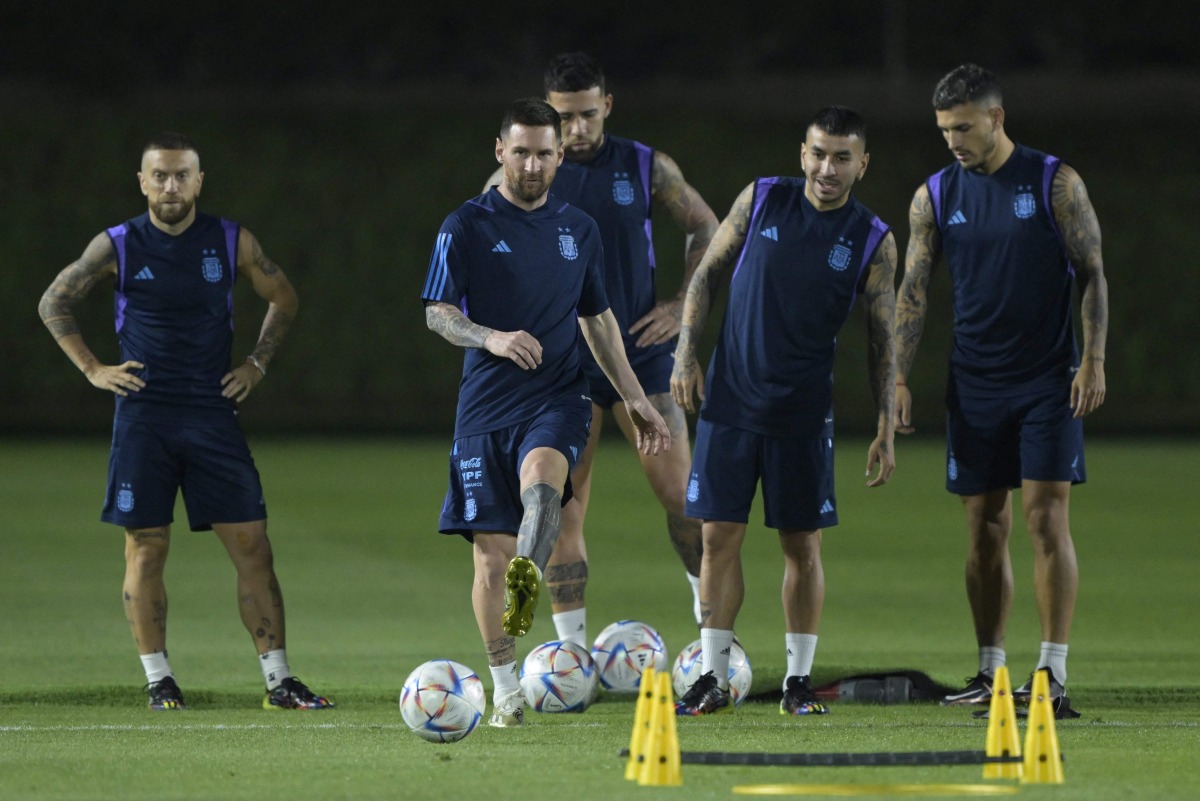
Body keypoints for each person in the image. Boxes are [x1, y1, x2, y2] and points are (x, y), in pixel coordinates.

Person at [38, 132, 333, 712]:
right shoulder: (117, 244)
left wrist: (257, 363)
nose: (170, 186)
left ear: (199, 181)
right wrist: (94, 369)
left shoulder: (230, 241)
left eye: (181, 176)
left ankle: (279, 681)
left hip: (211, 414)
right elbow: (54, 301)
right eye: (159, 176)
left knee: (253, 545)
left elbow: (285, 297)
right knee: (146, 547)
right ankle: (159, 680)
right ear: (142, 182)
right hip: (143, 416)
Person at [424, 98, 671, 727]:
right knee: (488, 555)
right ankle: (505, 685)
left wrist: (636, 396)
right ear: (499, 151)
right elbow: (437, 312)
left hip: (558, 395)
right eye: (521, 152)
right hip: (484, 405)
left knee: (543, 493)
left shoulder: (578, 228)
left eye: (544, 153)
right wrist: (492, 337)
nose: (532, 165)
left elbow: (598, 318)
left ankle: (526, 584)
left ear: (560, 156)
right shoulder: (466, 224)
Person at [484, 52, 718, 649]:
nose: (577, 129)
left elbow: (706, 227)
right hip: (562, 364)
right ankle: (570, 654)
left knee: (682, 494)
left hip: (635, 352)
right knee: (563, 502)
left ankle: (709, 632)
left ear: (606, 105)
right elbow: (481, 251)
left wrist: (679, 304)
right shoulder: (524, 172)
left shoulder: (644, 166)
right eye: (564, 117)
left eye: (588, 114)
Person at [894, 64, 1108, 715]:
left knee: (1045, 517)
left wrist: (1092, 358)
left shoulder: (1055, 183)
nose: (953, 140)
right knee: (984, 525)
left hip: (1046, 381)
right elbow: (914, 288)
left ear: (997, 117)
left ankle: (1051, 674)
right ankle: (990, 670)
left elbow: (1093, 274)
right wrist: (897, 376)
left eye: (963, 127)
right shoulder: (933, 195)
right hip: (975, 384)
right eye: (944, 129)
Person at [671, 106, 898, 716]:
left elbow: (884, 338)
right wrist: (685, 354)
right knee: (718, 538)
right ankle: (712, 679)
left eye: (842, 157)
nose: (828, 168)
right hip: (729, 402)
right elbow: (707, 274)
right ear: (803, 153)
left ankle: (798, 682)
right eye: (819, 153)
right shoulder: (763, 198)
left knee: (802, 547)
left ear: (862, 165)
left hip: (801, 414)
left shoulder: (873, 239)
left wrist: (883, 424)